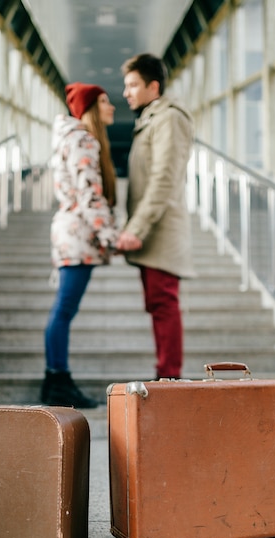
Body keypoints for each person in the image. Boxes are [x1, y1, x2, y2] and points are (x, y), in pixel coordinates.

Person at [116, 53, 195, 380]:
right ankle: (166, 376)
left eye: (133, 84)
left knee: (163, 305)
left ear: (154, 85)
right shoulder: (152, 117)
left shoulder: (168, 119)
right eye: (126, 85)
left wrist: (137, 227)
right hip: (153, 232)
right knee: (158, 305)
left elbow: (164, 177)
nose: (126, 92)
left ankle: (169, 378)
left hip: (160, 231)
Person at [42, 82, 119, 408]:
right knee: (63, 310)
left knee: (63, 310)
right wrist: (112, 236)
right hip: (77, 235)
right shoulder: (83, 139)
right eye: (104, 101)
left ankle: (56, 380)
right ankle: (57, 380)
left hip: (70, 233)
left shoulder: (71, 138)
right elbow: (89, 193)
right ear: (89, 109)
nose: (112, 106)